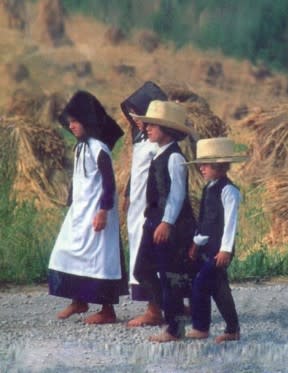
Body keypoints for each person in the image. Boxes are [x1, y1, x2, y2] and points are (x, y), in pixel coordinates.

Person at [48, 90, 126, 324]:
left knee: (100, 259)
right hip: (79, 213)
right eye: (69, 122)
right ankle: (78, 301)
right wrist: (71, 201)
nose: (71, 126)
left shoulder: (98, 148)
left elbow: (109, 182)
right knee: (65, 252)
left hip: (97, 213)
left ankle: (107, 310)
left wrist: (103, 210)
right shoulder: (81, 147)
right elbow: (79, 178)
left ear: (87, 122)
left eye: (75, 122)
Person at [130, 100, 197, 342]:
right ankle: (166, 312)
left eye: (153, 125)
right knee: (142, 269)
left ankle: (174, 327)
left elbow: (177, 193)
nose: (147, 128)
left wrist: (167, 222)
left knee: (170, 276)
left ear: (166, 130)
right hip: (155, 221)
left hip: (170, 225)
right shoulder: (160, 153)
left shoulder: (175, 157)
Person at [185, 137, 246, 344]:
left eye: (206, 165)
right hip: (208, 247)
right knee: (219, 288)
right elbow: (205, 222)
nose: (201, 168)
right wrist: (196, 242)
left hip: (220, 249)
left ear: (219, 166)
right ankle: (232, 328)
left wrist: (226, 249)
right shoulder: (209, 188)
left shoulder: (229, 191)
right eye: (200, 164)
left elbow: (230, 222)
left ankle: (201, 327)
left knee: (201, 283)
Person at [120, 81, 168, 327]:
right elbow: (136, 168)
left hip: (152, 205)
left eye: (138, 114)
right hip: (138, 202)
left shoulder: (159, 138)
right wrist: (128, 193)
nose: (134, 119)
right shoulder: (139, 135)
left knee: (149, 255)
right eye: (131, 115)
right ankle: (168, 304)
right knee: (142, 249)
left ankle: (155, 308)